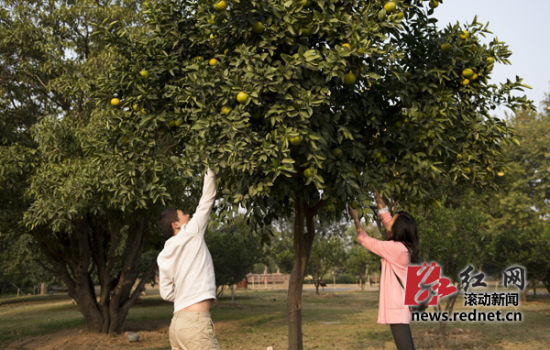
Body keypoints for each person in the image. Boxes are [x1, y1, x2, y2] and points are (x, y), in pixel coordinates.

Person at [157, 167, 220, 350]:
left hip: (177, 325)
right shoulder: (191, 232)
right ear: (176, 224)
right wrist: (211, 168)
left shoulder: (164, 254)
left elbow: (166, 293)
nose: (189, 216)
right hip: (196, 325)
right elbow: (206, 200)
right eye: (184, 215)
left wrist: (187, 292)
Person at [348, 192, 419, 350]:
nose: (389, 221)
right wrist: (377, 195)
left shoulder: (396, 249)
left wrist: (356, 219)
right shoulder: (403, 247)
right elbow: (386, 218)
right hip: (400, 306)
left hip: (398, 308)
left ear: (398, 227)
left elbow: (366, 241)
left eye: (393, 220)